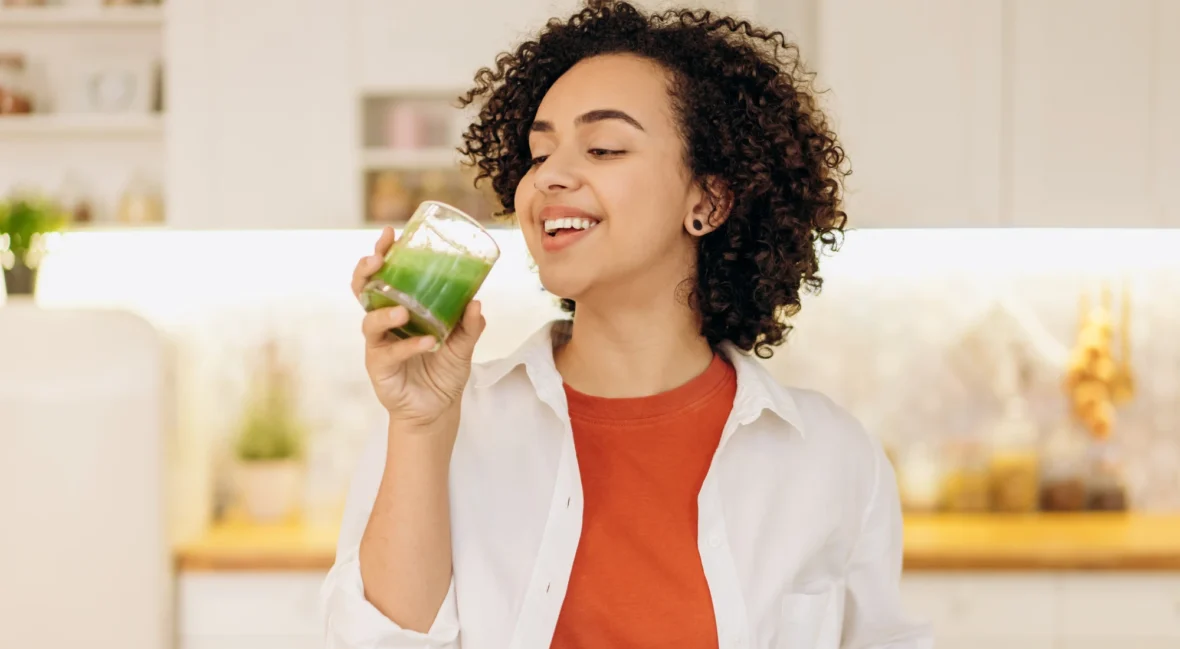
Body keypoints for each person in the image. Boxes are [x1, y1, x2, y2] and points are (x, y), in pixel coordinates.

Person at [323, 2, 931, 648]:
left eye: (604, 148)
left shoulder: (830, 457)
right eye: (538, 153)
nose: (549, 176)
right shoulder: (443, 425)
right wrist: (420, 427)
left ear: (708, 201)